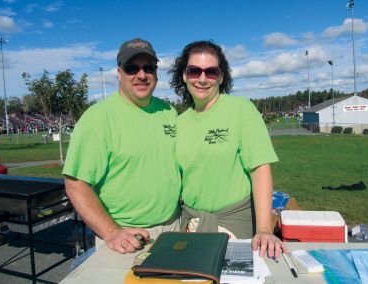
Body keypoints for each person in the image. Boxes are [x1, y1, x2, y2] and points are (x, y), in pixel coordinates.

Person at [63, 38, 181, 255]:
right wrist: (111, 232)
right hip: (126, 237)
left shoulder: (168, 112)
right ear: (119, 73)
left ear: (156, 72)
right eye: (132, 68)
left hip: (174, 227)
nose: (142, 75)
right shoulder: (97, 119)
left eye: (148, 68)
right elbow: (75, 184)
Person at [169, 40, 287, 258]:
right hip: (191, 224)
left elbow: (260, 169)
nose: (202, 79)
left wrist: (263, 229)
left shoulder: (241, 110)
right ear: (184, 75)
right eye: (194, 71)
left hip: (234, 223)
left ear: (221, 77)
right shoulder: (179, 122)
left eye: (211, 72)